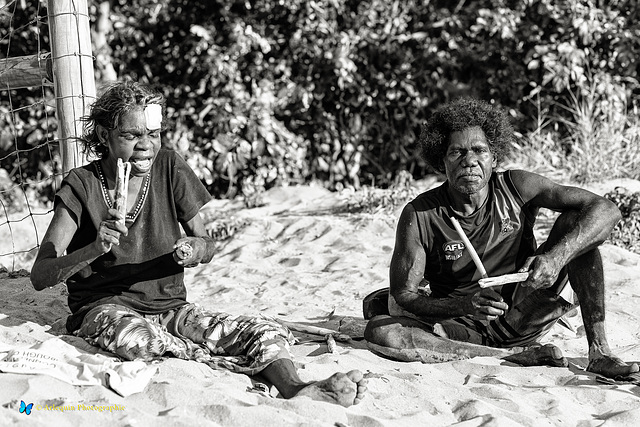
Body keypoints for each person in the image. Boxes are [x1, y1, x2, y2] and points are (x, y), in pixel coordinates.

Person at [30, 80, 366, 406]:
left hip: (171, 309)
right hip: (105, 309)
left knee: (260, 330)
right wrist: (94, 249)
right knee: (137, 340)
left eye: (153, 134)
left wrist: (193, 250)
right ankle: (229, 364)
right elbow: (41, 274)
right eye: (131, 136)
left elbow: (206, 243)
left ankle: (296, 388)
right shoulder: (82, 184)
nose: (145, 145)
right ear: (105, 135)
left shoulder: (169, 166)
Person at [363, 97, 639, 379]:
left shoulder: (516, 186)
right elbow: (404, 294)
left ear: (494, 157)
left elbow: (607, 210)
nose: (469, 161)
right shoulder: (419, 214)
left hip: (528, 313)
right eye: (457, 152)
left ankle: (600, 352)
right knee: (380, 329)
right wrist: (463, 305)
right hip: (462, 329)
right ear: (441, 161)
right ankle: (508, 357)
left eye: (479, 151)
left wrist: (556, 259)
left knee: (575, 226)